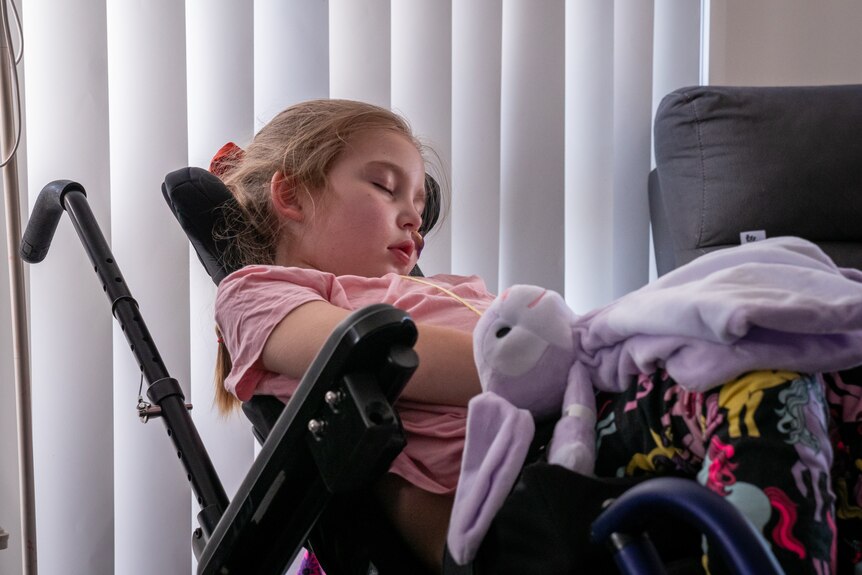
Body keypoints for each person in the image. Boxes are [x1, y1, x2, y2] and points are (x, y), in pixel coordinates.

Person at [212, 99, 851, 575]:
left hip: (576, 421)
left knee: (812, 367)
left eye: (421, 203)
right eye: (384, 186)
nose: (414, 217)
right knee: (751, 380)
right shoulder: (259, 294)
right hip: (516, 475)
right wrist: (574, 355)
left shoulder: (447, 289)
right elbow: (356, 347)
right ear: (291, 194)